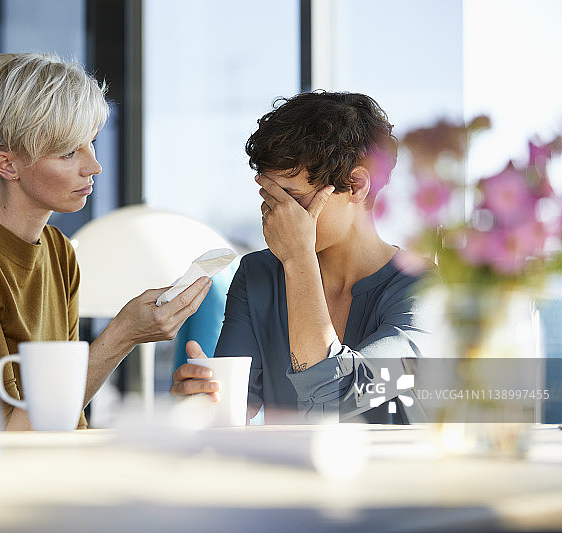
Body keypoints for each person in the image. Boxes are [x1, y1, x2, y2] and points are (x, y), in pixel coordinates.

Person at [0, 53, 211, 433]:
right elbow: (4, 437)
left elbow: (61, 415)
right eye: (68, 152)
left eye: (91, 143)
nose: (93, 166)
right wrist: (123, 335)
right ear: (7, 165)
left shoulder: (58, 249)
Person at [171, 91, 432, 423]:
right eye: (269, 197)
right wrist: (204, 400)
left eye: (292, 198)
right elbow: (232, 413)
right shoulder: (258, 274)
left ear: (356, 185)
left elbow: (337, 398)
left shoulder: (425, 290)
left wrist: (298, 258)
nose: (275, 216)